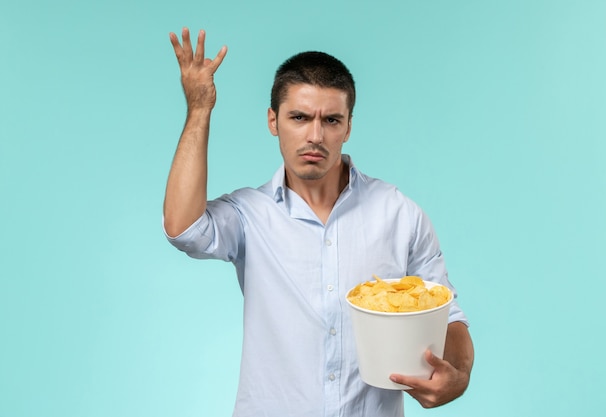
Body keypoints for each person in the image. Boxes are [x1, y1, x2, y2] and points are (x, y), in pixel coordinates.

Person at [163, 27, 474, 417]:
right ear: (273, 121)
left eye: (330, 120)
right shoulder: (249, 214)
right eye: (299, 117)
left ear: (348, 126)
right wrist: (199, 110)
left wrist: (458, 375)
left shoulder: (399, 213)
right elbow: (183, 228)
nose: (315, 135)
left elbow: (449, 316)